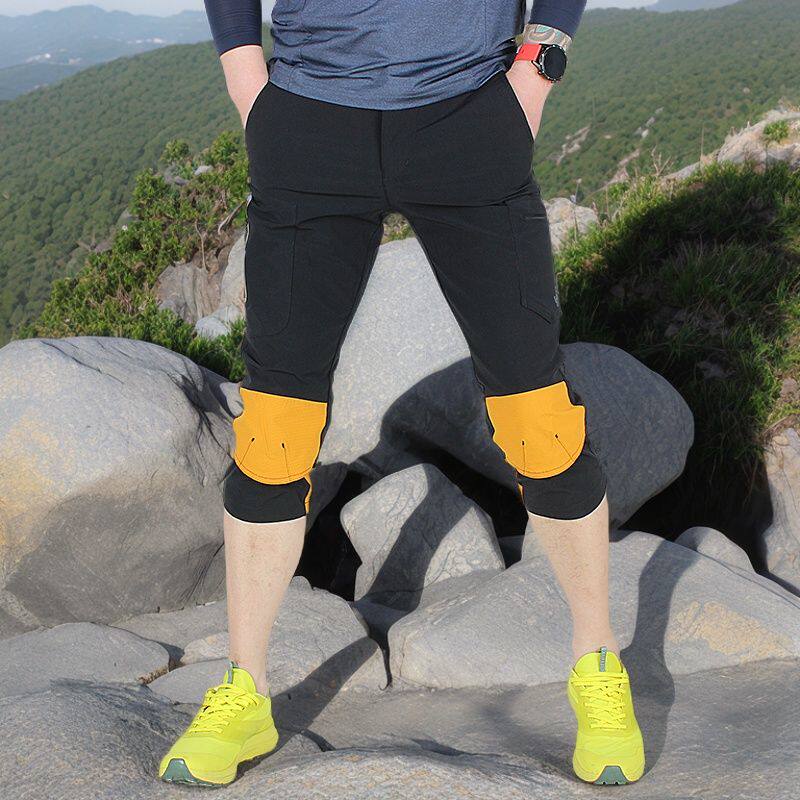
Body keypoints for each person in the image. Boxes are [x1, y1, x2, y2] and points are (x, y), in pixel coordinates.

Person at [158, 0, 645, 787]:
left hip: (468, 116)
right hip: (309, 126)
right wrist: (249, 83)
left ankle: (598, 670)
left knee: (540, 421)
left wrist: (537, 69)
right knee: (273, 432)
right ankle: (243, 693)